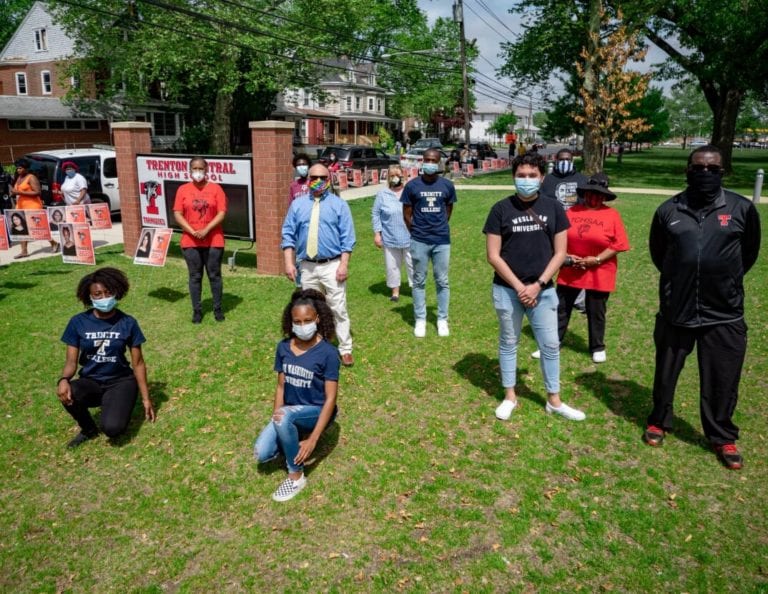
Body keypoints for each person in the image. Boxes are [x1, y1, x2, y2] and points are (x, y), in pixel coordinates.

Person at [644, 145, 761, 470]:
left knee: (723, 377)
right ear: (687, 170)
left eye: (713, 169)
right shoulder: (669, 210)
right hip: (676, 310)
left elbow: (747, 254)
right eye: (699, 168)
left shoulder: (741, 209)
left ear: (723, 171)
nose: (705, 174)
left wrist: (722, 281)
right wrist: (676, 283)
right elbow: (660, 255)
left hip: (724, 312)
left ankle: (722, 435)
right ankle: (659, 420)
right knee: (666, 373)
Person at [483, 152, 585, 422]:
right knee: (508, 342)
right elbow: (493, 255)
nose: (526, 180)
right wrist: (519, 287)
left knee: (550, 345)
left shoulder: (554, 208)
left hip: (544, 291)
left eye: (532, 175)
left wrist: (538, 285)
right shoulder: (500, 209)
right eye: (520, 175)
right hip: (508, 291)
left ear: (542, 178)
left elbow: (561, 252)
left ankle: (554, 400)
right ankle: (510, 396)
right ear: (513, 177)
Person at [253, 289, 339, 501]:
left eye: (307, 320)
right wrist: (275, 417)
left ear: (317, 319)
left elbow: (330, 399)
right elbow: (281, 387)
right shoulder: (283, 348)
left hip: (316, 411)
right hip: (289, 412)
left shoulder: (328, 353)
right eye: (297, 321)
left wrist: (313, 439)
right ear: (290, 322)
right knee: (262, 454)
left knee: (285, 416)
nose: (302, 326)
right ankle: (290, 434)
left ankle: (296, 475)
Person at [56, 267, 155, 448]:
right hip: (91, 380)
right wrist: (64, 379)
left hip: (121, 381)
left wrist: (146, 398)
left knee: (113, 429)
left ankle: (117, 402)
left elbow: (138, 363)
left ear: (117, 292)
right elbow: (71, 361)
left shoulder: (128, 323)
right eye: (98, 294)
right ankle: (88, 429)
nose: (103, 298)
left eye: (108, 293)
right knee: (68, 391)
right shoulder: (77, 322)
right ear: (89, 297)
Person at [281, 163, 356, 367]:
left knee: (337, 307)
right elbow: (287, 235)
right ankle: (314, 346)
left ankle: (345, 348)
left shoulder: (339, 205)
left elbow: (347, 238)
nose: (318, 181)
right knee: (310, 308)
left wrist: (344, 265)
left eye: (322, 177)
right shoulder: (297, 205)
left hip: (332, 264)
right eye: (314, 177)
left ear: (329, 179)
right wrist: (289, 263)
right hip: (307, 266)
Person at [556, 173, 630, 363]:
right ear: (585, 193)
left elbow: (618, 244)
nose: (594, 198)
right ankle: (553, 342)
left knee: (596, 309)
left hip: (600, 269)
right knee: (561, 307)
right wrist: (566, 256)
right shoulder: (572, 211)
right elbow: (560, 235)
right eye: (591, 193)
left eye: (599, 195)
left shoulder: (612, 215)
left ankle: (597, 346)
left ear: (604, 197)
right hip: (572, 267)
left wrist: (596, 259)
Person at [401, 148, 457, 337]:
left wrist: (439, 226)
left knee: (442, 281)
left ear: (439, 162)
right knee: (419, 281)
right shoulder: (412, 186)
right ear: (422, 161)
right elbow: (406, 213)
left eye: (433, 160)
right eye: (427, 160)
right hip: (419, 240)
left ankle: (442, 319)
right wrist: (416, 231)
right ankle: (421, 319)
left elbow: (448, 209)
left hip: (441, 240)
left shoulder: (447, 185)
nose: (430, 163)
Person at [173, 157, 228, 324]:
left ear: (206, 169)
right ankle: (197, 311)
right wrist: (192, 230)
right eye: (194, 168)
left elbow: (222, 212)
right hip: (190, 241)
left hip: (213, 239)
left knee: (214, 275)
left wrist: (206, 229)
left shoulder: (216, 189)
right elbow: (177, 213)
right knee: (195, 276)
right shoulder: (183, 189)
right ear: (190, 170)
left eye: (200, 168)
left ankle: (217, 309)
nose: (198, 171)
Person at [372, 164, 413, 302]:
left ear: (404, 176)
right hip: (390, 236)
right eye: (392, 175)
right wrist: (377, 233)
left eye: (398, 175)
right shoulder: (382, 194)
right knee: (392, 266)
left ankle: (416, 289)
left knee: (413, 264)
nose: (395, 178)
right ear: (388, 177)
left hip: (410, 235)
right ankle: (395, 292)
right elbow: (376, 214)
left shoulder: (410, 191)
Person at [9, 158, 56, 257]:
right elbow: (17, 192)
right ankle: (24, 251)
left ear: (26, 168)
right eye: (17, 168)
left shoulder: (31, 177)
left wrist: (19, 192)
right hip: (21, 206)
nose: (18, 170)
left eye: (20, 168)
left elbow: (37, 192)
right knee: (21, 229)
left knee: (38, 229)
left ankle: (54, 243)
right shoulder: (19, 178)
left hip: (33, 206)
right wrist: (12, 193)